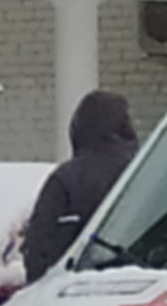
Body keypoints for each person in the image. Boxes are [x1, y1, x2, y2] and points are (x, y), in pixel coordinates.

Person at [23, 90, 139, 276]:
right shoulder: (149, 171)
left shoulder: (65, 180)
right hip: (151, 285)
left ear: (78, 129)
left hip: (76, 291)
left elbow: (37, 249)